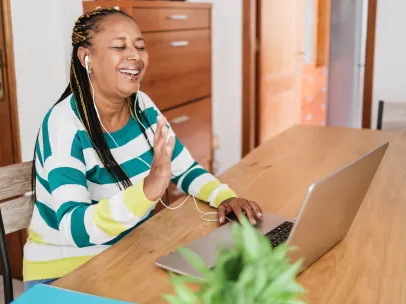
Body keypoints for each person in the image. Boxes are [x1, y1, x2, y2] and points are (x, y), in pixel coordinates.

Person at [23, 8, 263, 291]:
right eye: (119, 46)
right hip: (65, 271)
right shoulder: (63, 124)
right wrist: (148, 190)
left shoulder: (142, 106)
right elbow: (75, 227)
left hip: (132, 251)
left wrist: (224, 197)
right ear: (86, 57)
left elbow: (184, 168)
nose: (135, 55)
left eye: (140, 46)